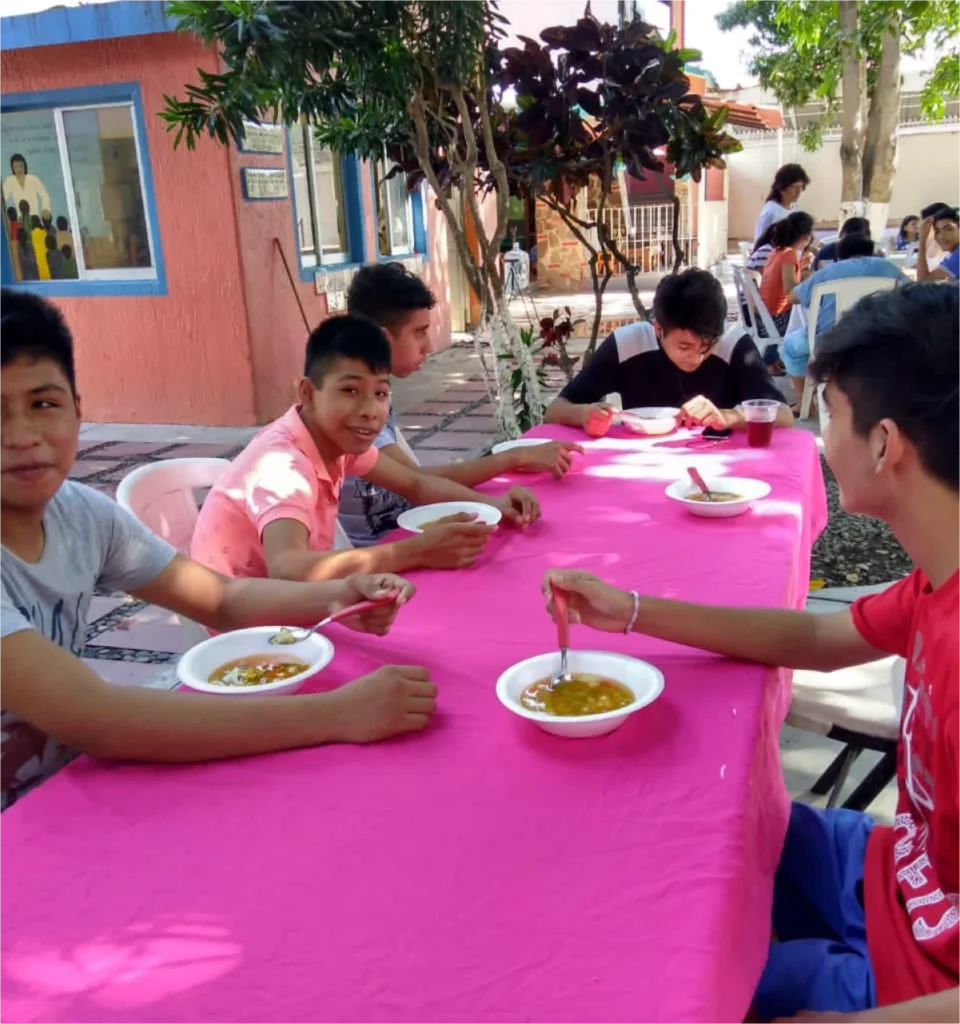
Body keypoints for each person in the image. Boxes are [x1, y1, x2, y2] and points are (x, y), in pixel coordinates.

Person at [542, 284, 960, 1022]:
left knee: (672, 986)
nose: (818, 437)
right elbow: (819, 637)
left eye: (828, 414)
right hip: (893, 872)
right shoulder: (936, 576)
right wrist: (631, 610)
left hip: (920, 975)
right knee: (701, 830)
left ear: (886, 443)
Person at [0, 290, 438, 813]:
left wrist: (340, 597)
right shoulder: (283, 459)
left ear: (77, 410)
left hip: (65, 795)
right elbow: (101, 720)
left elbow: (222, 598)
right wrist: (340, 714)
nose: (23, 436)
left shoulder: (79, 514)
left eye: (42, 404)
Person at [191, 314, 541, 581]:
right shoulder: (283, 465)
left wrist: (493, 506)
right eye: (350, 390)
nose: (370, 410)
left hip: (297, 602)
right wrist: (413, 551)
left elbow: (414, 484)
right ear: (307, 393)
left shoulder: (338, 441)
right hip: (250, 632)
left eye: (380, 393)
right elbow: (288, 568)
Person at [340, 262, 582, 547]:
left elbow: (416, 482)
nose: (428, 347)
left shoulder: (375, 389)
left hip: (410, 533)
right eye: (419, 332)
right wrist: (514, 461)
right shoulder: (353, 411)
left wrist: (493, 499)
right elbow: (418, 482)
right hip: (383, 557)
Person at [544, 269, 793, 434]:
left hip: (718, 470)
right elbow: (555, 409)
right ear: (658, 329)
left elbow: (783, 415)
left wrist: (729, 416)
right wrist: (583, 415)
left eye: (706, 347)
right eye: (684, 346)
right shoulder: (629, 344)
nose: (696, 357)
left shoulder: (733, 343)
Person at [780, 233, 908, 404]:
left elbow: (792, 298)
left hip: (829, 343)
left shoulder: (828, 271)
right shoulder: (889, 268)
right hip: (879, 341)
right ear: (872, 252)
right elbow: (911, 292)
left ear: (839, 254)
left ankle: (805, 404)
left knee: (790, 347)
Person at [759, 211, 815, 337]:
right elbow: (789, 289)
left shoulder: (777, 251)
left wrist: (801, 271)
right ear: (805, 237)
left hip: (764, 318)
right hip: (776, 321)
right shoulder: (789, 254)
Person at [753, 164, 810, 244]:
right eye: (794, 187)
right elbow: (760, 243)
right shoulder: (771, 212)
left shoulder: (796, 208)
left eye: (801, 187)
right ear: (782, 187)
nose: (798, 192)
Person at [917, 206, 960, 283]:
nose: (941, 236)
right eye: (937, 231)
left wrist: (922, 239)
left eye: (948, 229)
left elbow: (923, 282)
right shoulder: (953, 254)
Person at [2, 154, 50, 222]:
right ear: (12, 168)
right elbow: (2, 199)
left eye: (21, 166)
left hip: (34, 218)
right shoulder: (10, 181)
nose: (19, 169)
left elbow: (45, 195)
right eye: (16, 167)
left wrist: (45, 209)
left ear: (25, 166)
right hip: (20, 219)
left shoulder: (33, 179)